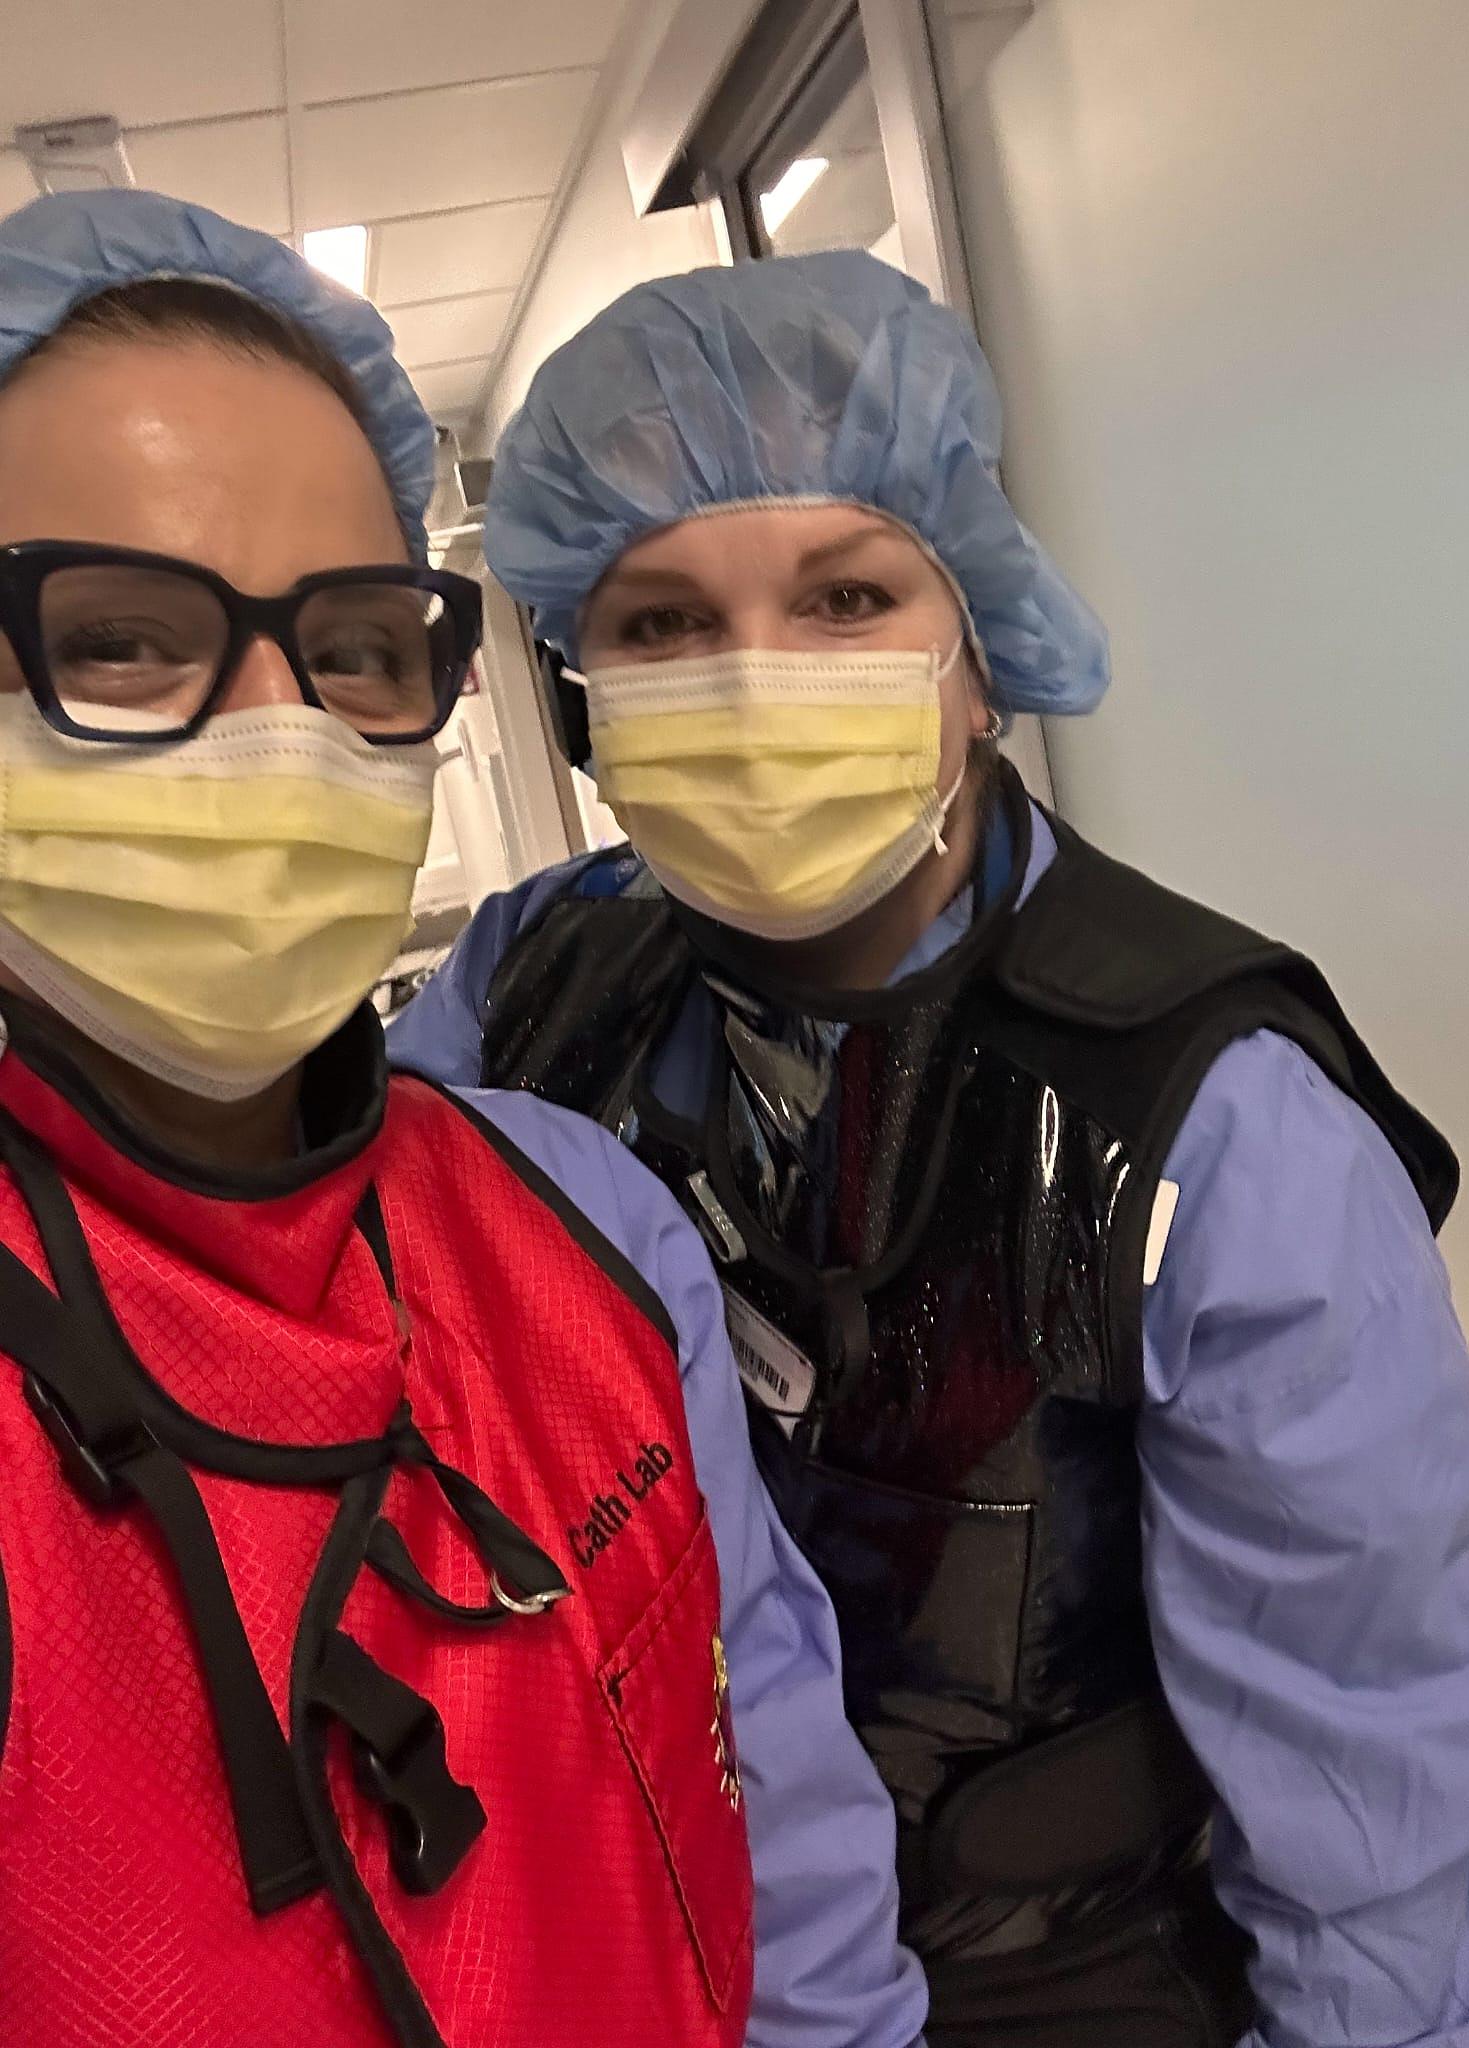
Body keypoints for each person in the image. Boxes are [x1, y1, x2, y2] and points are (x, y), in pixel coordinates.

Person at [390, 251, 1469, 2048]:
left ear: (983, 649)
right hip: (638, 1938)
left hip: (1075, 1981)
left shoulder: (1208, 1116)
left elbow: (1365, 1788)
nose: (752, 685)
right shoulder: (529, 985)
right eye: (663, 624)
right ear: (578, 683)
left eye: (846, 598)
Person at [0, 192, 930, 2048]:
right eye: (118, 639)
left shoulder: (573, 1218)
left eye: (352, 645)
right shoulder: (551, 978)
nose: (276, 734)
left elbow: (781, 1821)